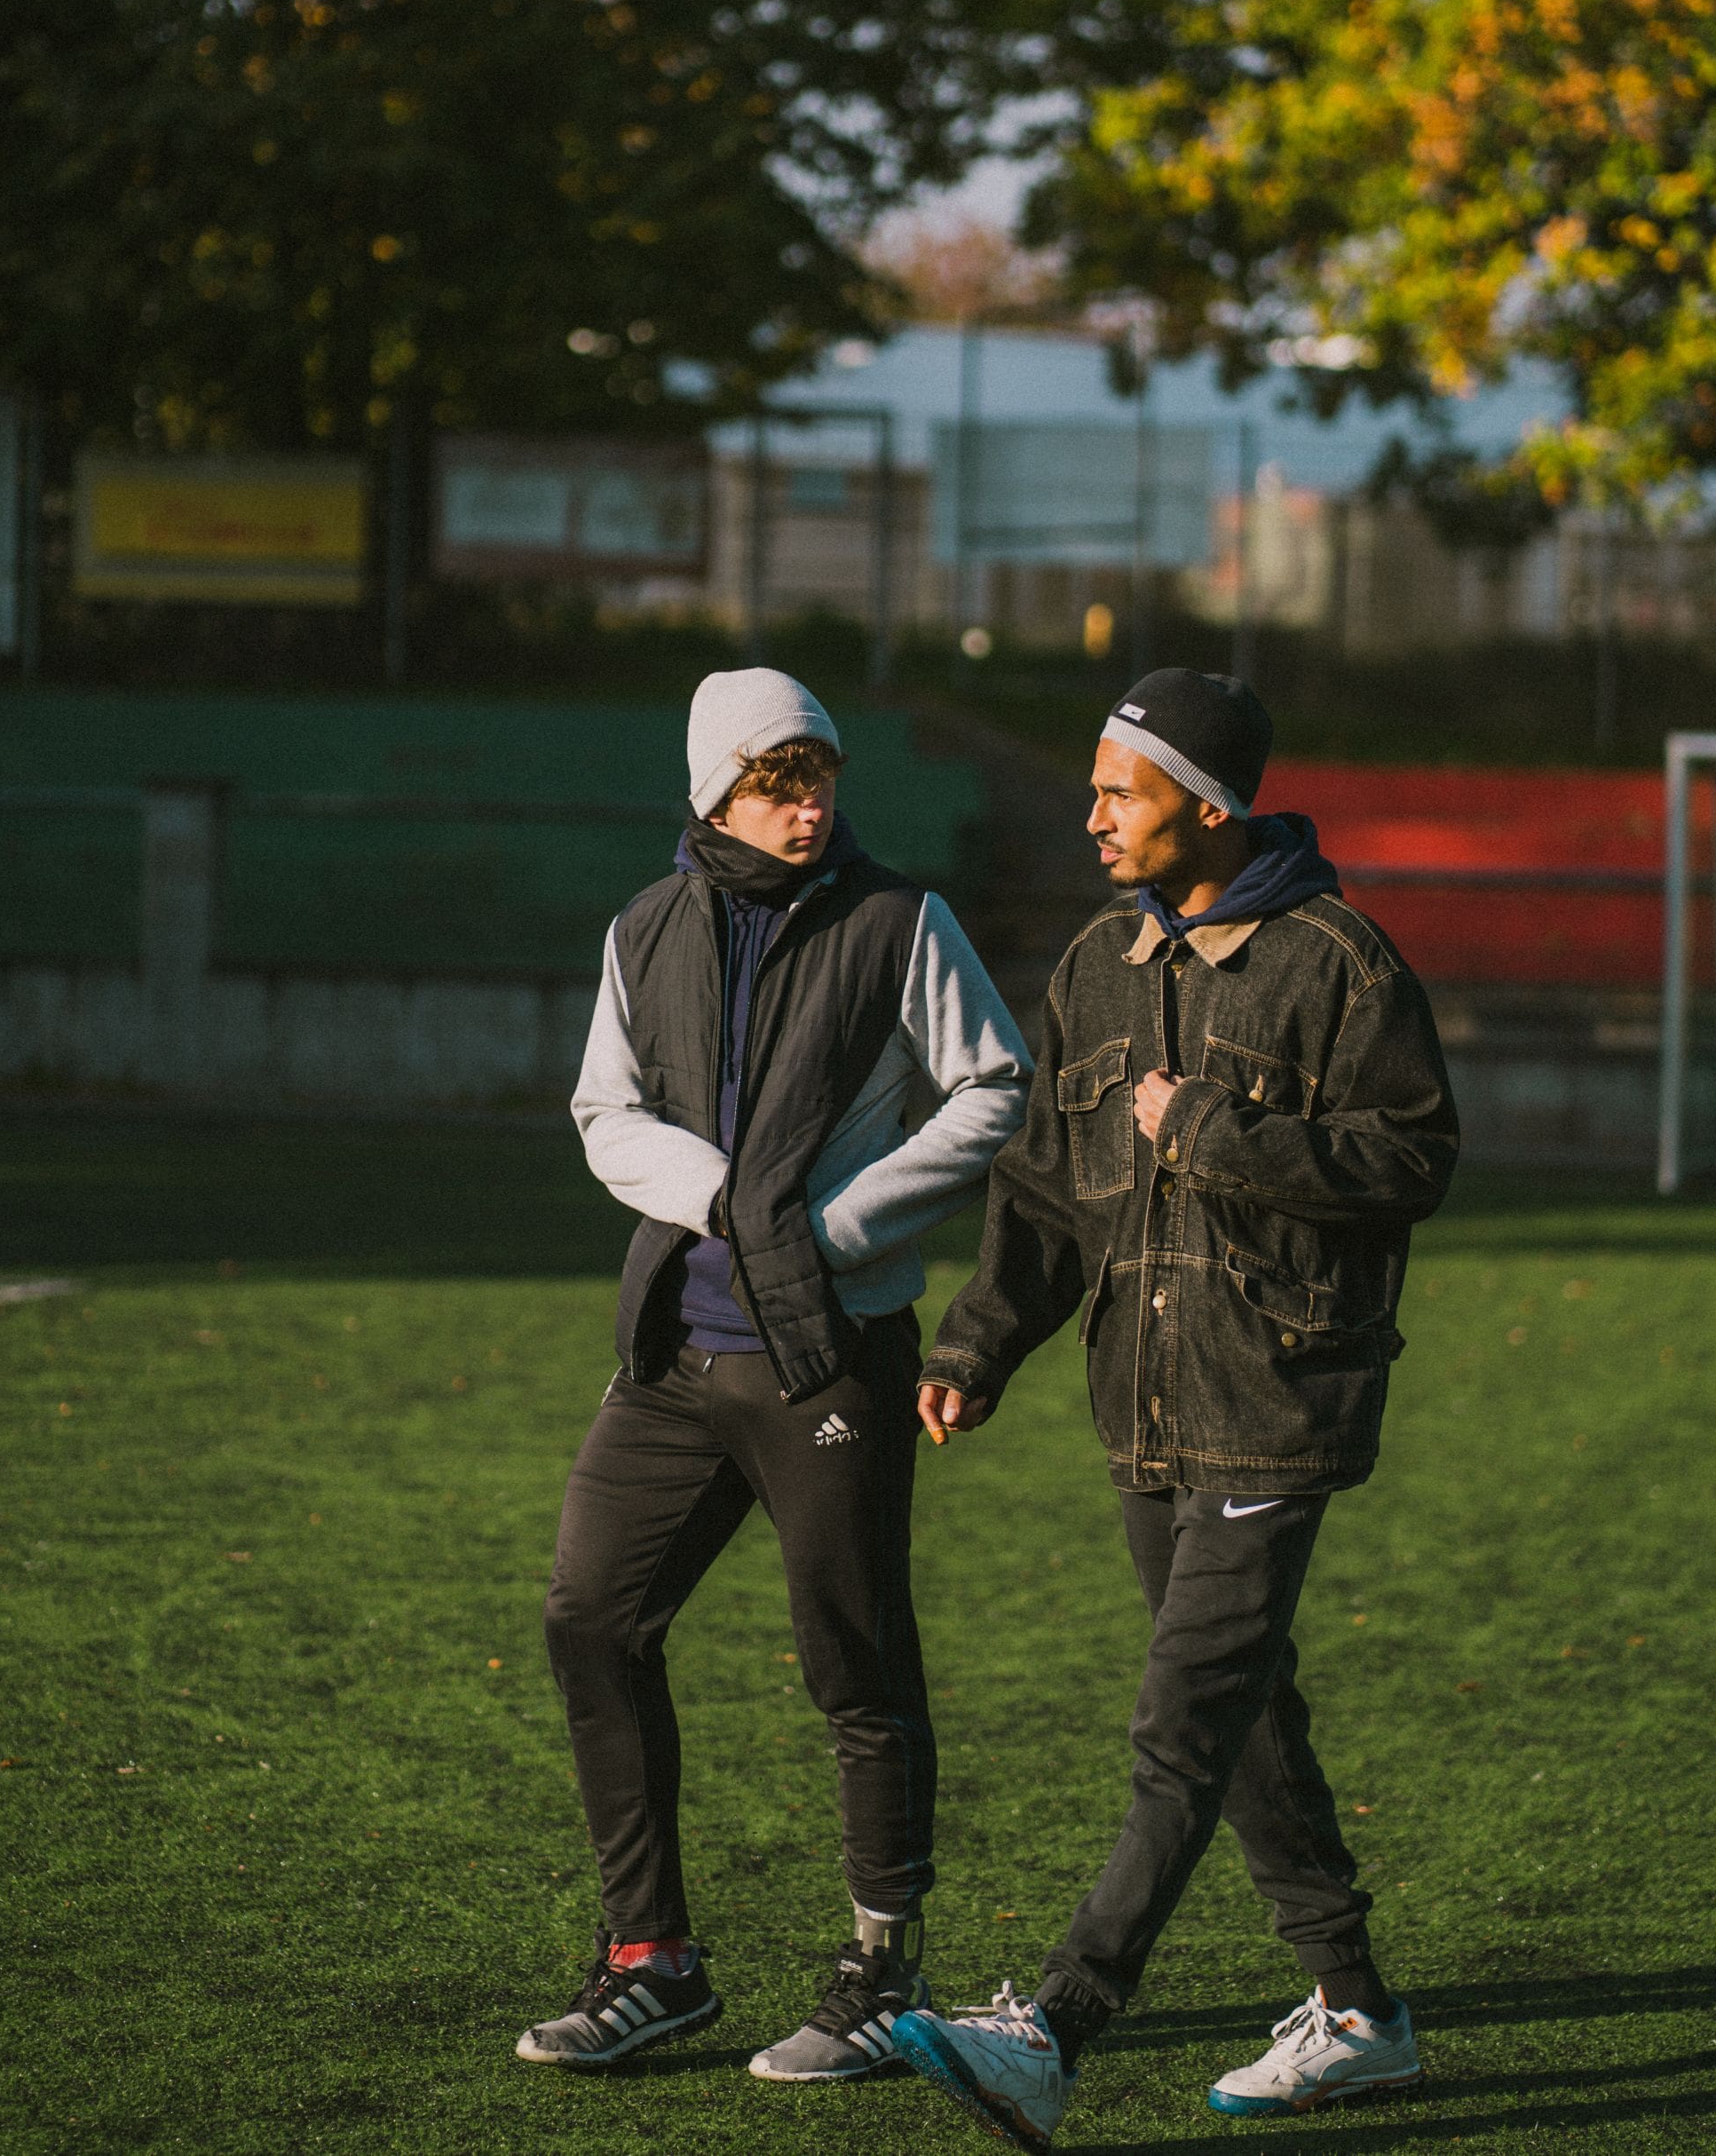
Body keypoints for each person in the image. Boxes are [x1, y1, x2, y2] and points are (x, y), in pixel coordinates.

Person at [890, 666, 1459, 2149]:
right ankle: (1358, 2014)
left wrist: (1212, 1130)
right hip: (1142, 1411)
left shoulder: (1339, 964)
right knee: (1241, 1707)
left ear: (1206, 807)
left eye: (1120, 793)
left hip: (1279, 1398)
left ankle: (1055, 2028)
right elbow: (1041, 1189)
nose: (1093, 818)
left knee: (1182, 1722)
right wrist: (977, 1345)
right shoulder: (1097, 963)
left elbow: (1412, 1160)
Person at [520, 667, 1032, 2081]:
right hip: (675, 1349)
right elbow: (603, 1111)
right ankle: (653, 1962)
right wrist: (724, 1202)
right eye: (776, 783)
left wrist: (833, 1226)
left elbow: (996, 1083)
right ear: (716, 793)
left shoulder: (900, 919)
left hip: (829, 1353)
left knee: (854, 1662)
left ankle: (881, 1974)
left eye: (819, 779)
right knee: (590, 1620)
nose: (808, 808)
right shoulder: (646, 925)